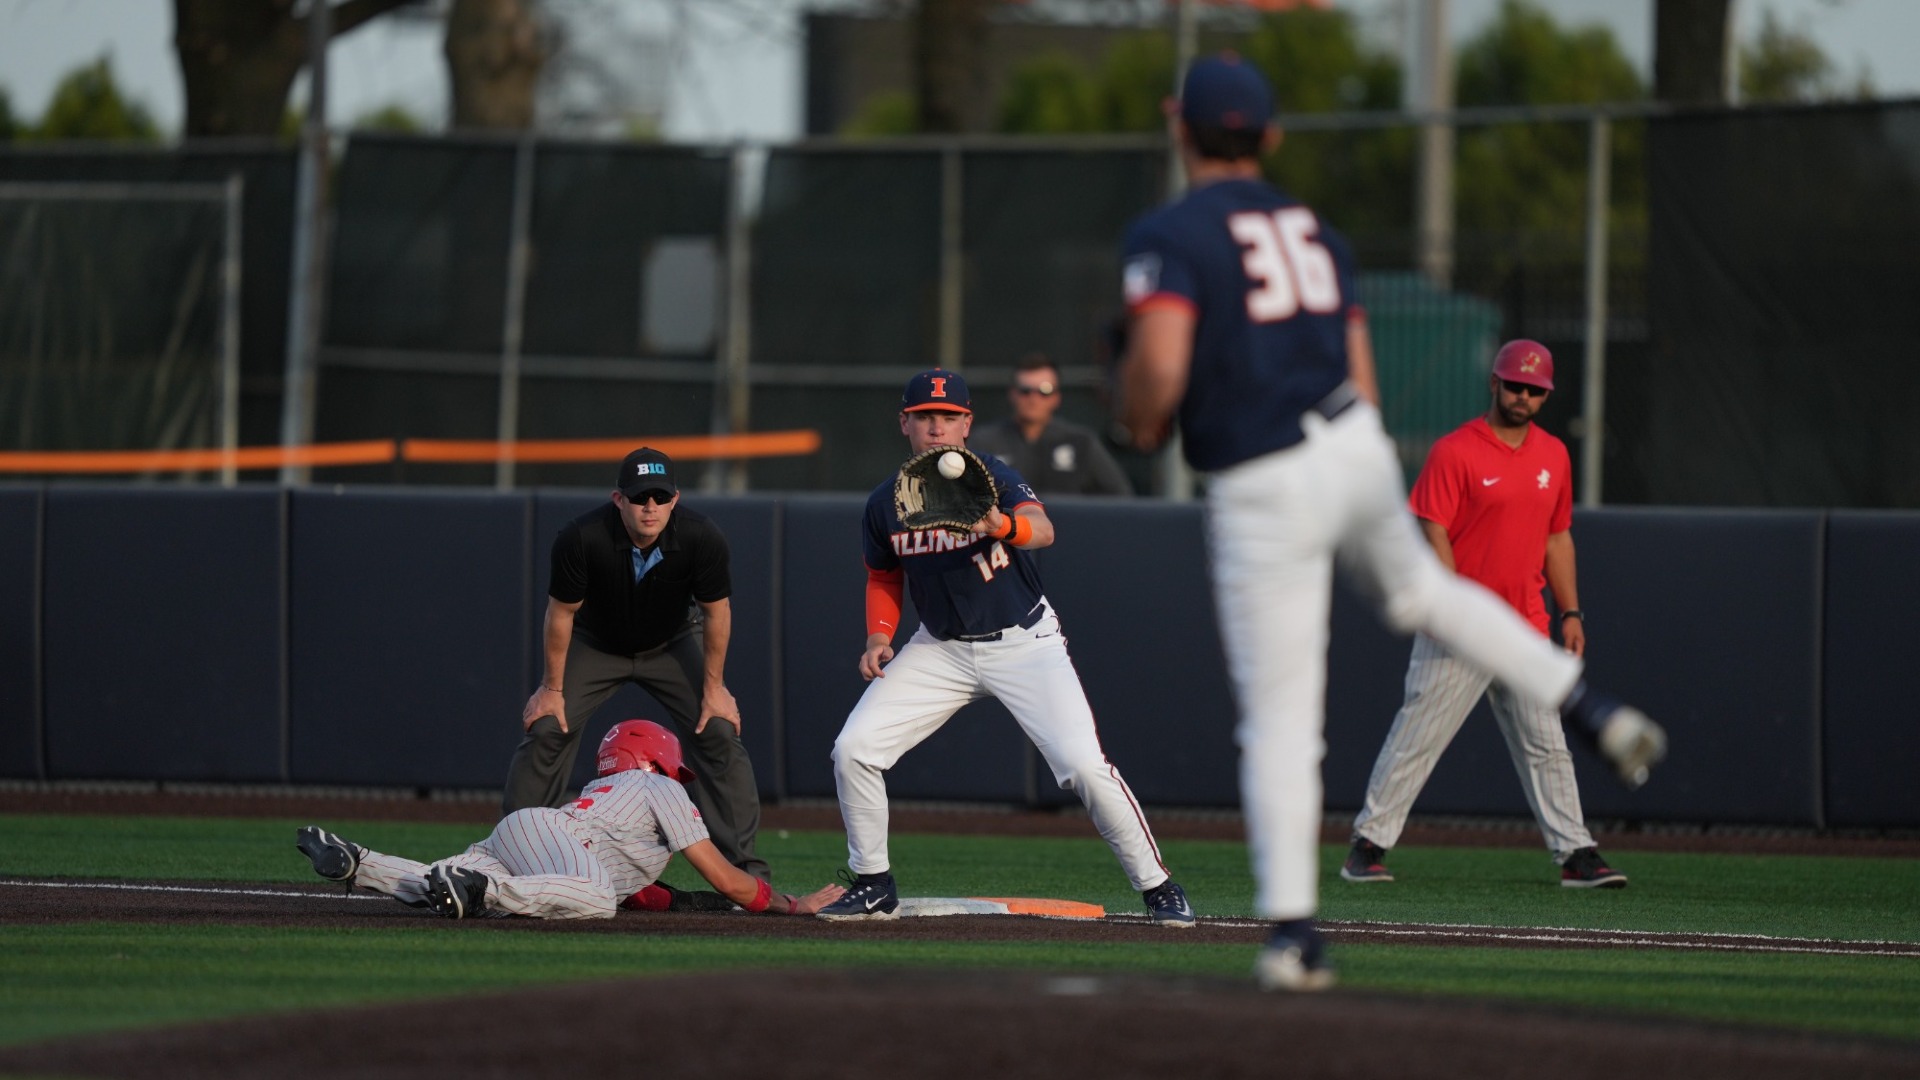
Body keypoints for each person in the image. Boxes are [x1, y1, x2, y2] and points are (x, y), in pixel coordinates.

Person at [1115, 55, 1666, 991]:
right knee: (1422, 591)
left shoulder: (1170, 231)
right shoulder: (1320, 234)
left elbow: (1158, 382)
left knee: (1283, 721)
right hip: (1352, 441)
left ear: (1179, 128)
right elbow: (1360, 374)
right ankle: (1590, 704)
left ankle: (1295, 935)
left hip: (1262, 479)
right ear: (1274, 138)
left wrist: (1130, 407)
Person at [814, 368, 1195, 927]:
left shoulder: (991, 477)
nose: (936, 428)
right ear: (905, 424)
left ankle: (1158, 885)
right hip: (939, 648)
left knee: (1085, 768)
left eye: (948, 417)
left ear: (966, 424)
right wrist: (878, 636)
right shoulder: (886, 502)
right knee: (854, 750)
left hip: (1024, 641)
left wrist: (999, 523)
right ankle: (873, 883)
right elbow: (884, 575)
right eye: (924, 418)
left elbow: (1042, 530)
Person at [1344, 341, 1627, 890]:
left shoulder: (1553, 456)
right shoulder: (1455, 451)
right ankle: (1367, 846)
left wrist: (1570, 611)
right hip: (1461, 626)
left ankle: (1577, 853)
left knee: (1547, 743)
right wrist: (1452, 607)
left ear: (1545, 396)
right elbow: (1433, 529)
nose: (1523, 396)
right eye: (1515, 385)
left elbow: (1558, 535)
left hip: (1524, 624)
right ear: (1494, 384)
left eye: (1534, 389)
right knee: (1418, 737)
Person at [503, 447, 769, 882]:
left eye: (660, 497)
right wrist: (551, 690)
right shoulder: (582, 536)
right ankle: (516, 860)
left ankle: (743, 874)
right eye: (640, 497)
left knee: (718, 730)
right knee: (549, 728)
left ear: (675, 500)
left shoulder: (701, 536)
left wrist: (715, 687)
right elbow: (561, 615)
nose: (651, 507)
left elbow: (717, 612)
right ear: (618, 499)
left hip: (673, 641)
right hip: (597, 642)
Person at [296, 720, 844, 919]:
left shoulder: (606, 792)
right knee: (595, 900)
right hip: (553, 840)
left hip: (525, 833)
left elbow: (646, 894)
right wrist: (791, 903)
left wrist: (685, 901)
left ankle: (359, 863)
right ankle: (486, 892)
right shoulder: (656, 785)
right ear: (656, 759)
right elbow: (725, 877)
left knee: (432, 884)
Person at [967, 352, 1134, 496]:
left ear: (1056, 398)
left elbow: (1120, 494)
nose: (1034, 399)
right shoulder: (985, 442)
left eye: (1044, 391)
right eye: (1025, 391)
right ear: (1013, 394)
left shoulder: (1080, 441)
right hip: (1006, 530)